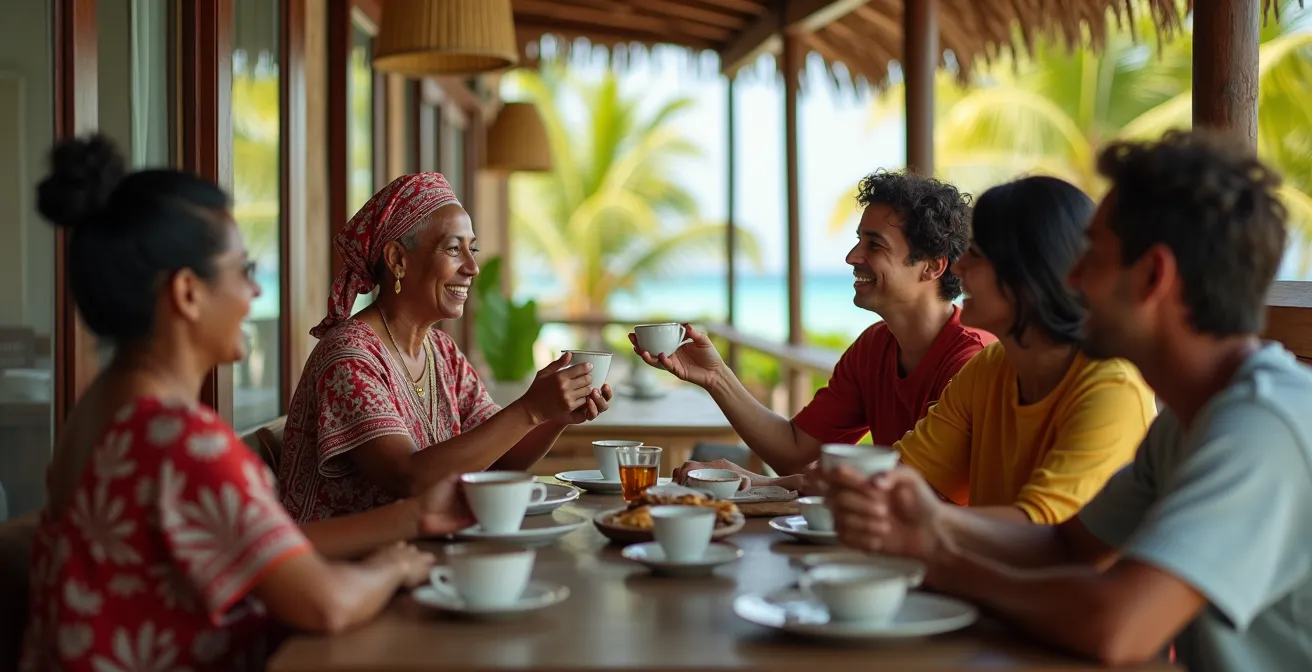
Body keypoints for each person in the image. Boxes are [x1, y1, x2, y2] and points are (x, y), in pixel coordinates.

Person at [825, 131, 1312, 671]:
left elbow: (1116, 627)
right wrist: (929, 523)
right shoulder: (1186, 421)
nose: (1071, 277)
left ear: (1153, 277)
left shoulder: (1261, 428)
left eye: (1092, 256)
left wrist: (943, 562)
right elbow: (1065, 546)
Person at [21, 136, 473, 671]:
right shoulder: (180, 441)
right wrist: (392, 569)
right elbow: (326, 604)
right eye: (243, 271)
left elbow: (267, 543)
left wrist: (410, 521)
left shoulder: (102, 409)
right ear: (188, 293)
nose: (255, 294)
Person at [278, 172, 612, 523]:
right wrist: (530, 409)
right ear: (398, 260)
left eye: (472, 249)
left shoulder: (441, 352)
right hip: (351, 556)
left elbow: (497, 457)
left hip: (424, 546)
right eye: (454, 249)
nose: (473, 267)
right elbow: (409, 479)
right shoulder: (349, 357)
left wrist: (553, 416)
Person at [640, 171, 994, 488]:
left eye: (874, 244)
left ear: (932, 267)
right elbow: (794, 450)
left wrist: (761, 483)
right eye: (858, 240)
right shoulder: (874, 346)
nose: (852, 257)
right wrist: (716, 377)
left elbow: (901, 489)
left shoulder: (972, 360)